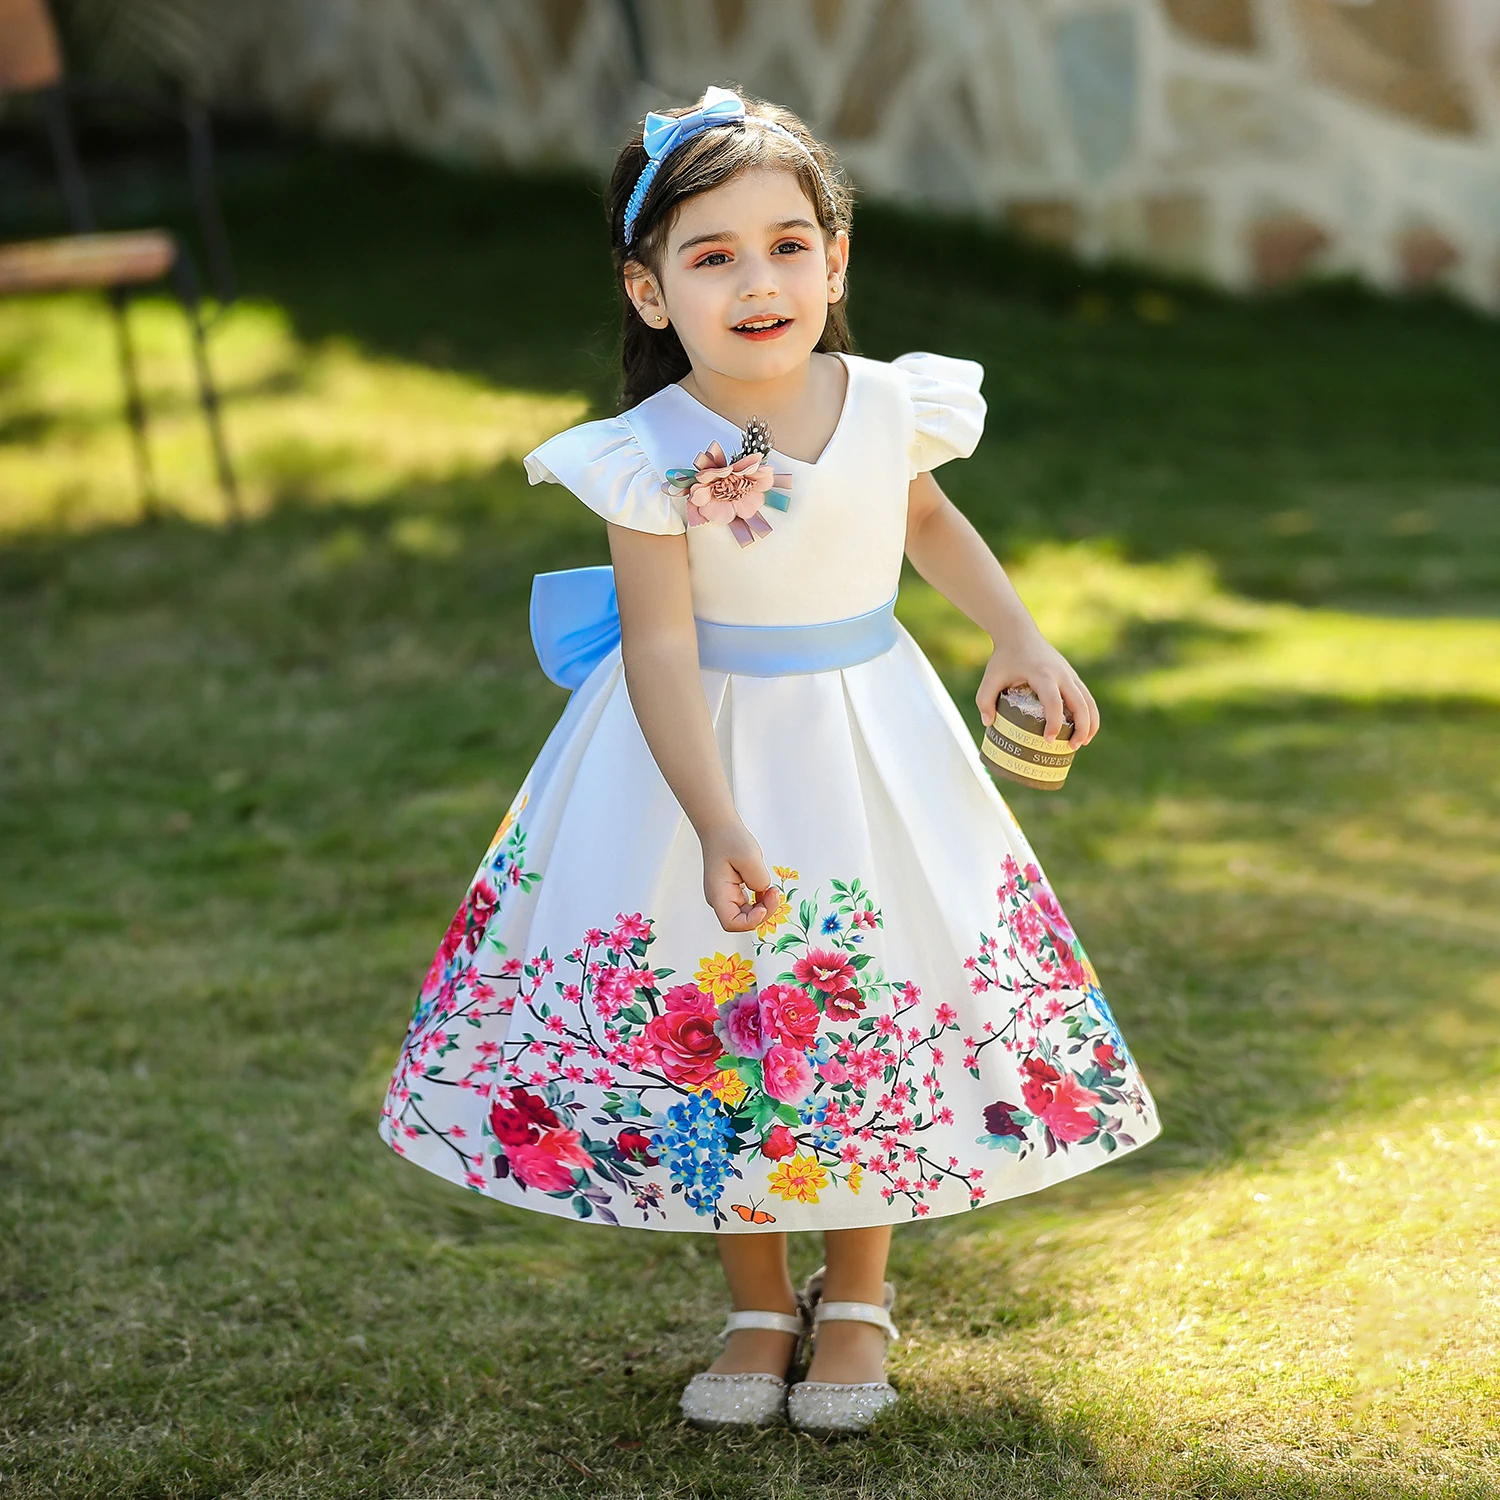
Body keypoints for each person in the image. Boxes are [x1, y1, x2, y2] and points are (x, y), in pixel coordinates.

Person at [377, 83, 1161, 1438]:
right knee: (722, 1013)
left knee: (862, 1006)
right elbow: (662, 653)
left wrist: (1018, 639)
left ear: (837, 259)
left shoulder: (885, 403)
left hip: (870, 745)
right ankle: (756, 1296)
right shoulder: (647, 455)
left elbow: (928, 529)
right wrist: (714, 818)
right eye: (712, 253)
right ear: (649, 291)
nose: (759, 280)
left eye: (790, 243)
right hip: (703, 759)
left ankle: (856, 1295)